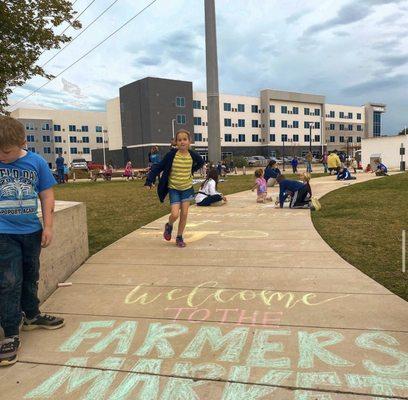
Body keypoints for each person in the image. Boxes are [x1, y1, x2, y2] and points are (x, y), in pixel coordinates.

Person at [0, 116, 65, 367]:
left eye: (6, 151)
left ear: (22, 142)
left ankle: (31, 315)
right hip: (3, 233)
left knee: (30, 274)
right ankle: (10, 332)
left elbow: (47, 194)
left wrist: (48, 226)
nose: (2, 156)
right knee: (8, 281)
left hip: (31, 231)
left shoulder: (36, 162)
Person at [145, 129, 204, 247]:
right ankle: (169, 225)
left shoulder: (192, 155)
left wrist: (191, 170)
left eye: (185, 139)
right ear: (176, 143)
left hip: (187, 188)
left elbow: (201, 162)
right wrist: (149, 180)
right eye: (179, 140)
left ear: (189, 142)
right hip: (174, 189)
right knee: (175, 214)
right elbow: (158, 166)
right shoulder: (172, 155)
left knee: (185, 213)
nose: (182, 142)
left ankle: (179, 237)